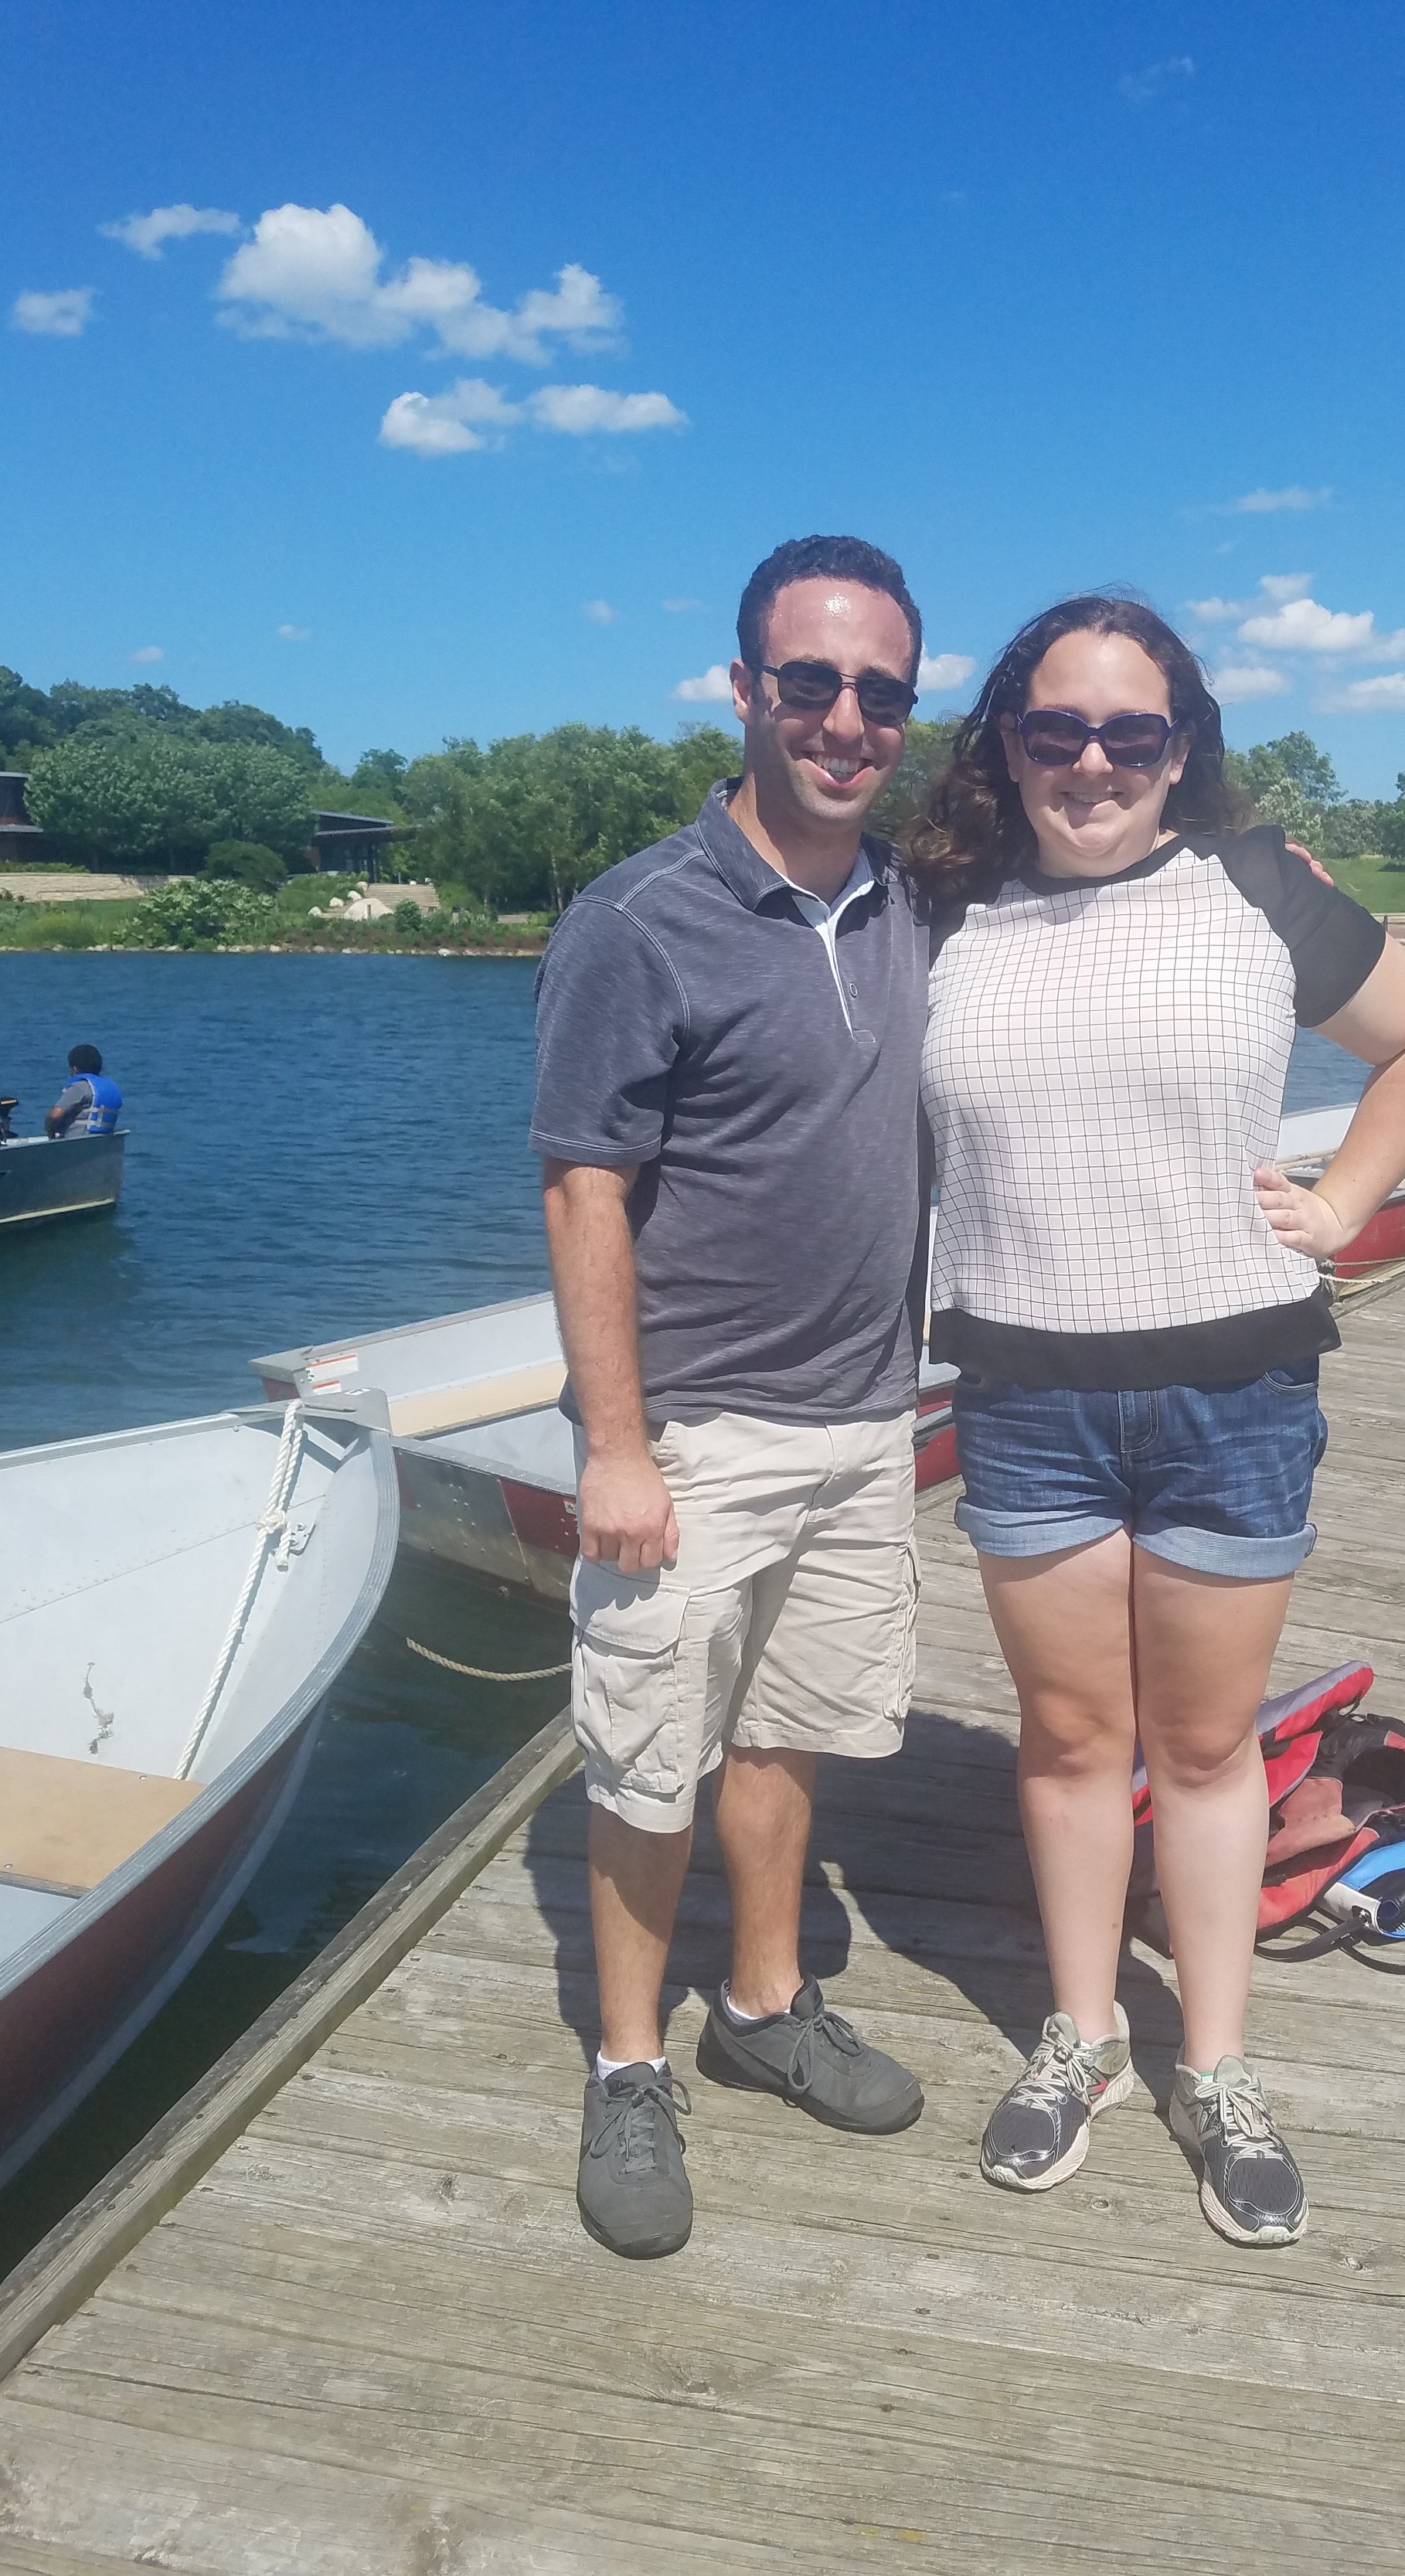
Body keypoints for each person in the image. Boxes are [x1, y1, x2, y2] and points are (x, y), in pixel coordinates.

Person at [910, 594, 1405, 2248]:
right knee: (1075, 1743)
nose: (1091, 762)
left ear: (1177, 748)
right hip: (1023, 1393)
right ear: (1004, 745)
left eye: (1130, 733)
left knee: (1208, 1750)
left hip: (1234, 1385)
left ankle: (1214, 2062)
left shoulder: (1251, 886)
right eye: (1053, 730)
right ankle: (1081, 2033)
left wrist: (1349, 1202)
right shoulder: (942, 906)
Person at [531, 535, 933, 2261]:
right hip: (691, 1435)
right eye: (810, 682)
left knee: (785, 1737)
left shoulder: (916, 895)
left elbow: (1105, 839)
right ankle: (629, 2063)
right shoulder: (640, 917)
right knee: (647, 1763)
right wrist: (613, 1445)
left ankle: (762, 2005)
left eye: (880, 692)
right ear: (747, 690)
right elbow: (581, 1188)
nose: (844, 718)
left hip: (863, 1423)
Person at [44, 1045, 121, 1138]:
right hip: (104, 1140)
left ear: (74, 1069)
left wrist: (49, 1130)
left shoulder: (80, 1087)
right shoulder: (110, 1087)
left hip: (77, 1141)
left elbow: (54, 1116)